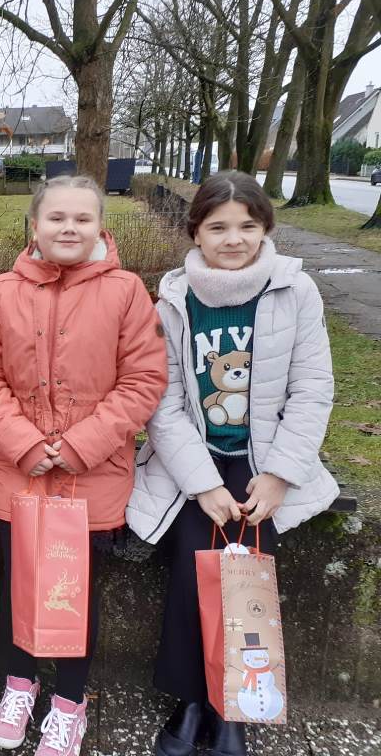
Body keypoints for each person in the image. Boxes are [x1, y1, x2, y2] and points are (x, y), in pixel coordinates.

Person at [127, 171, 339, 756]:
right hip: (194, 462)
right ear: (196, 231)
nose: (234, 239)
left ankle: (234, 704)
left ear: (265, 228)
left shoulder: (295, 291)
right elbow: (164, 402)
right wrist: (201, 484)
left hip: (264, 462)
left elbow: (313, 388)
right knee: (192, 561)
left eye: (248, 225)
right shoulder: (174, 300)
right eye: (218, 227)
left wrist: (279, 475)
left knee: (247, 567)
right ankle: (193, 699)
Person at [0, 175, 167, 756]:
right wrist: (24, 443)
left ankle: (69, 702)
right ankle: (19, 684)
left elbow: (143, 379)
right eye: (56, 218)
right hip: (19, 471)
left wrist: (82, 445)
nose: (69, 228)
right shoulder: (4, 291)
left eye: (82, 218)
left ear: (100, 225)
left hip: (91, 476)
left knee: (76, 593)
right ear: (35, 225)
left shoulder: (126, 292)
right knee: (17, 584)